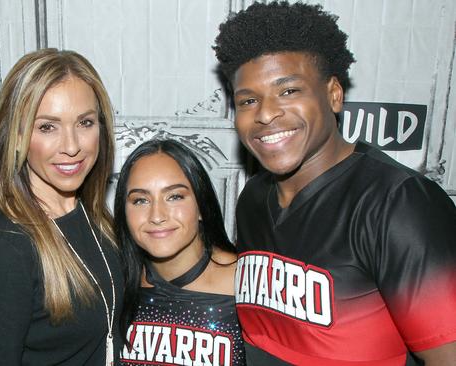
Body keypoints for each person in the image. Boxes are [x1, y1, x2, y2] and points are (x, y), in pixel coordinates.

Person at [213, 2, 456, 365]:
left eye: (289, 91)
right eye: (248, 100)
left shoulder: (397, 203)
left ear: (333, 94)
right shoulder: (253, 196)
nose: (265, 113)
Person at [0, 48, 122, 365]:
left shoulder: (95, 217)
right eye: (48, 127)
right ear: (18, 133)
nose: (72, 146)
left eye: (85, 122)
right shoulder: (9, 250)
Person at [114, 139, 246, 366]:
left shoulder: (247, 283)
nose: (157, 215)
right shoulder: (114, 282)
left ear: (201, 206)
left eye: (174, 196)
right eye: (141, 200)